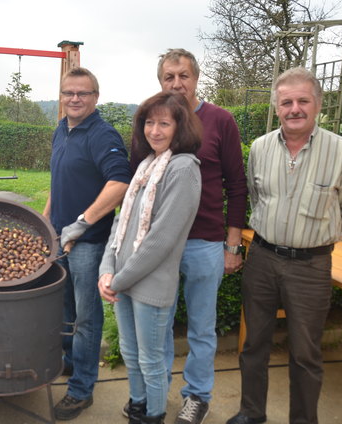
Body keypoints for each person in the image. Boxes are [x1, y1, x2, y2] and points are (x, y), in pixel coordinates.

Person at [226, 67, 342, 424]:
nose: (294, 109)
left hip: (311, 268)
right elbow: (257, 198)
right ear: (276, 108)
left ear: (317, 104)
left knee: (306, 354)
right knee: (253, 345)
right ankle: (251, 412)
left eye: (303, 100)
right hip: (261, 258)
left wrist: (317, 237)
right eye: (286, 102)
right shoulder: (259, 148)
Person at [126, 48, 248, 424]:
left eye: (183, 75)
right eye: (168, 77)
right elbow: (137, 182)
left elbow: (237, 185)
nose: (176, 83)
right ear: (160, 81)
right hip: (157, 246)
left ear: (196, 78)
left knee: (201, 327)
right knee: (157, 327)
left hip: (204, 242)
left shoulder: (220, 120)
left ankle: (197, 396)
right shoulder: (153, 123)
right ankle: (157, 387)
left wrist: (232, 244)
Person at [99, 91, 202, 424]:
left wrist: (119, 278)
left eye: (164, 123)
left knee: (152, 360)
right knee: (131, 353)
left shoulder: (183, 168)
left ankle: (153, 416)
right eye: (149, 122)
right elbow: (120, 223)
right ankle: (139, 405)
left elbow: (161, 240)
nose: (154, 131)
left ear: (179, 127)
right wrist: (106, 269)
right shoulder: (146, 165)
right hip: (125, 281)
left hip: (150, 284)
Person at [43, 67, 132, 421]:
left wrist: (82, 223)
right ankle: (68, 365)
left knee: (85, 319)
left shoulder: (101, 134)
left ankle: (81, 390)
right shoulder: (62, 129)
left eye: (82, 93)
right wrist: (47, 221)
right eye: (68, 93)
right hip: (59, 241)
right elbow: (57, 181)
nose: (74, 99)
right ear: (61, 96)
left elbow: (120, 182)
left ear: (96, 97)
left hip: (88, 245)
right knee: (64, 311)